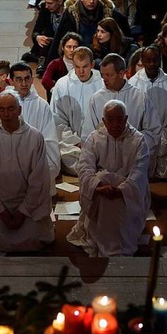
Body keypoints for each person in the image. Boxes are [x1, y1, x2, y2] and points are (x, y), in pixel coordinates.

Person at [0, 92, 55, 253]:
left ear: (19, 110)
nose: (6, 114)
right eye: (1, 110)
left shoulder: (35, 137)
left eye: (10, 109)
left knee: (33, 239)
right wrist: (1, 213)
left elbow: (39, 182)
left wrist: (22, 213)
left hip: (28, 206)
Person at [67, 100, 151, 257]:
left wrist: (122, 190)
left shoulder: (138, 140)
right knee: (103, 178)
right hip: (101, 193)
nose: (115, 124)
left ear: (126, 119)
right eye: (110, 120)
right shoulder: (94, 138)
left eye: (119, 119)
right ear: (104, 121)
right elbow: (85, 167)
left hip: (127, 195)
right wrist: (97, 187)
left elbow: (139, 171)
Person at [84, 53, 162, 169]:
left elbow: (153, 131)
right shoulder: (96, 99)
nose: (104, 79)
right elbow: (88, 133)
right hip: (104, 163)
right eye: (103, 75)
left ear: (121, 73)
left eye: (109, 75)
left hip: (132, 160)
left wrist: (132, 145)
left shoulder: (140, 97)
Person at [5, 62, 60, 194]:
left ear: (32, 79)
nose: (24, 83)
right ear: (11, 81)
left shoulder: (42, 106)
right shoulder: (4, 104)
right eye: (19, 79)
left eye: (27, 78)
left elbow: (49, 139)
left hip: (36, 163)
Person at [129, 45, 167, 179]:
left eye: (155, 60)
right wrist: (146, 142)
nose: (152, 64)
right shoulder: (133, 84)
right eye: (148, 60)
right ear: (142, 60)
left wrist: (162, 144)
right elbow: (131, 118)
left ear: (160, 60)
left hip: (166, 142)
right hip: (141, 142)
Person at [46, 0, 130, 66]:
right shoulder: (71, 13)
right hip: (79, 54)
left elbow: (122, 32)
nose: (91, 1)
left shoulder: (108, 12)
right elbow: (59, 39)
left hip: (103, 54)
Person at [51, 47, 105, 174]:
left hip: (97, 142)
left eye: (85, 66)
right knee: (63, 157)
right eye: (77, 66)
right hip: (71, 144)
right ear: (72, 64)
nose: (81, 71)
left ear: (92, 64)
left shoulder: (102, 85)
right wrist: (75, 141)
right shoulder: (62, 85)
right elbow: (57, 119)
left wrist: (92, 141)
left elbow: (106, 119)